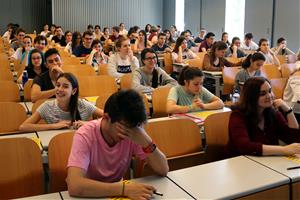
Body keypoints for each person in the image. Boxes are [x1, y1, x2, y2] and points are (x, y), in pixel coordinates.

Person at [66, 89, 169, 198]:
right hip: (90, 194)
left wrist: (146, 141)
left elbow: (163, 170)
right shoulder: (85, 134)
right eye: (124, 128)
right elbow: (75, 185)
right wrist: (123, 189)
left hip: (116, 194)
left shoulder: (132, 132)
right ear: (106, 118)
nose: (128, 133)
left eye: (134, 128)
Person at [227, 77, 300, 157]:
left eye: (270, 91)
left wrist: (288, 110)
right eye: (262, 93)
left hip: (266, 162)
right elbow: (244, 146)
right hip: (241, 162)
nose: (269, 96)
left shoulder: (272, 113)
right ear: (251, 97)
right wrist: (283, 150)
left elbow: (294, 139)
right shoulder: (238, 115)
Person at [19, 73, 103, 132]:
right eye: (58, 85)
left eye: (65, 86)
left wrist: (88, 124)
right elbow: (23, 127)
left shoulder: (82, 104)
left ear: (73, 91)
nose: (59, 89)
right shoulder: (47, 106)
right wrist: (53, 126)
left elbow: (108, 118)